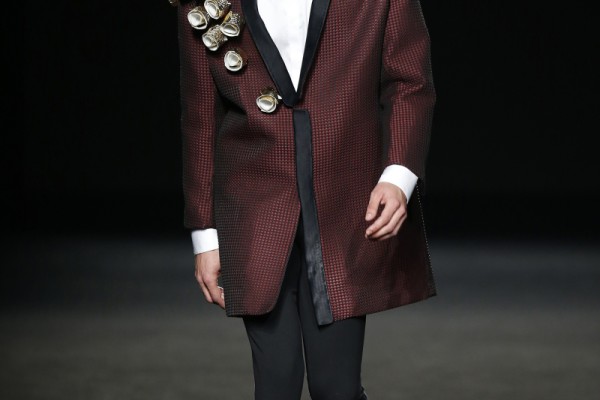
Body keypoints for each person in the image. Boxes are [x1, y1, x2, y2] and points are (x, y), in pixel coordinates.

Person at [173, 0, 436, 398]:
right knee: (276, 383)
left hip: (345, 200)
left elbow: (409, 81)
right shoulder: (201, 2)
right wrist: (204, 233)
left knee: (336, 387)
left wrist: (398, 177)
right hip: (253, 204)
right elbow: (200, 116)